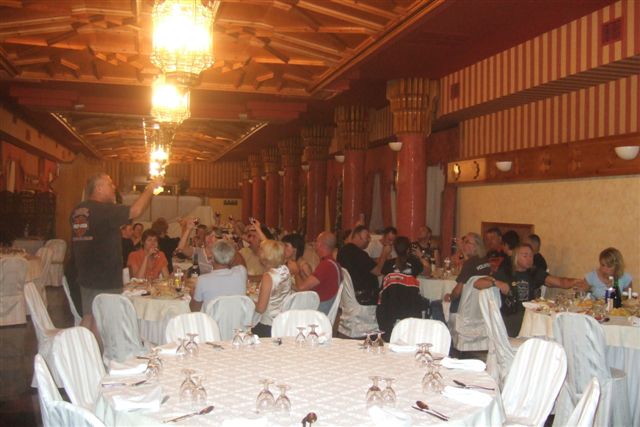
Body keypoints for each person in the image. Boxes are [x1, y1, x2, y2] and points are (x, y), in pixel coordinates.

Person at [70, 173, 161, 333]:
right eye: (110, 184)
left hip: (85, 275)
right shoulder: (104, 210)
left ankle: (82, 347)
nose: (114, 187)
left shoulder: (78, 210)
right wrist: (151, 187)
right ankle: (97, 349)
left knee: (89, 316)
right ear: (99, 188)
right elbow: (135, 211)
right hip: (105, 277)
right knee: (103, 322)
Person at [474, 244, 589, 337]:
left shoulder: (534, 273)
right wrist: (496, 283)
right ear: (516, 257)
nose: (529, 259)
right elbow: (477, 283)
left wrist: (577, 282)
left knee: (554, 323)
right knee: (548, 326)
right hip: (511, 319)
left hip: (530, 316)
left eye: (531, 256)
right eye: (525, 255)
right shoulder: (506, 273)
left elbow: (561, 282)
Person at [430, 232, 491, 322]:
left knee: (435, 304)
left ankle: (444, 330)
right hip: (480, 305)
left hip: (465, 305)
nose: (463, 244)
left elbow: (457, 292)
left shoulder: (469, 264)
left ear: (475, 246)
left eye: (466, 242)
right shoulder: (485, 261)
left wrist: (450, 297)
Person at [191, 240, 248, 311]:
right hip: (238, 318)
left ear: (212, 259)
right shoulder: (241, 272)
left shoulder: (202, 280)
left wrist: (193, 295)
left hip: (211, 318)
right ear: (231, 257)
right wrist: (230, 247)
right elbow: (238, 261)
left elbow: (194, 310)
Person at [337, 225, 387, 305]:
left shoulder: (343, 251)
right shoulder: (359, 254)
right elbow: (378, 271)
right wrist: (385, 253)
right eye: (366, 237)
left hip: (350, 296)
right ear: (357, 236)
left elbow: (363, 264)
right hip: (365, 296)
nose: (369, 240)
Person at [252, 240, 293, 337]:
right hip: (283, 323)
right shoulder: (285, 269)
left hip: (268, 326)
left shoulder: (268, 276)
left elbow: (261, 309)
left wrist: (249, 301)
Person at [295, 231, 341, 315]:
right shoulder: (332, 263)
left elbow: (300, 288)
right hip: (323, 306)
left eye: (316, 241)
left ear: (320, 244)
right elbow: (312, 284)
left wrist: (296, 272)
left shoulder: (326, 265)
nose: (314, 244)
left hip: (319, 311)